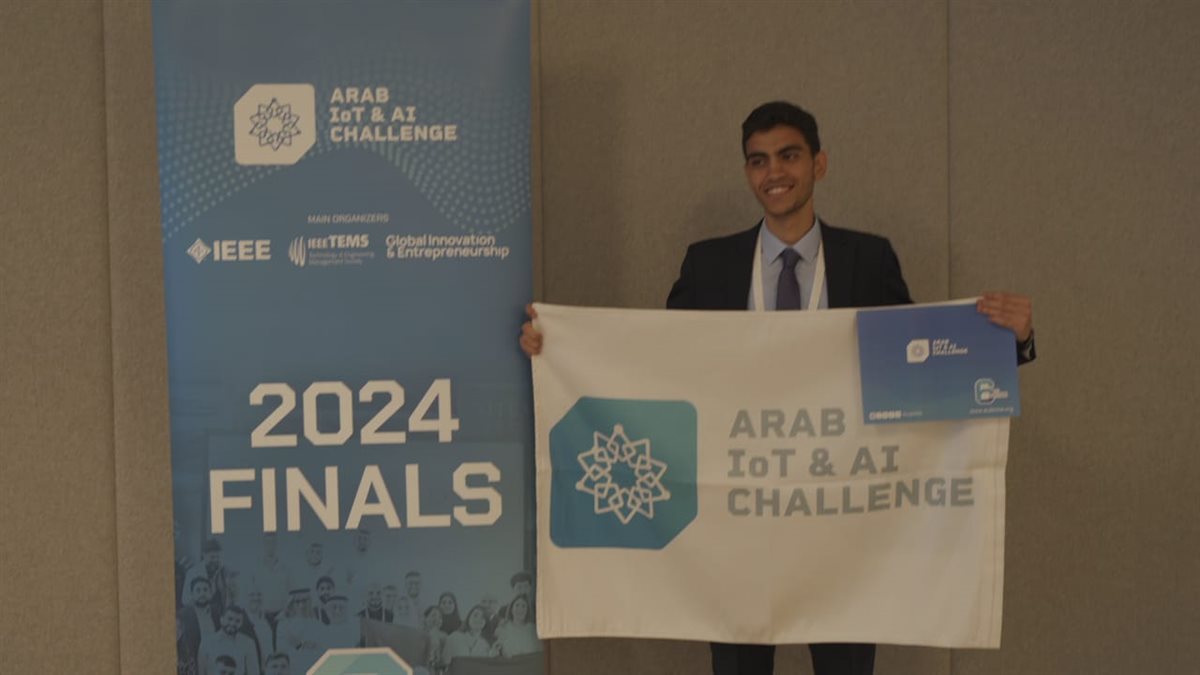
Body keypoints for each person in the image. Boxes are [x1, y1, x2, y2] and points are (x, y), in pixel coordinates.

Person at [519, 101, 1036, 675]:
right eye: (758, 160)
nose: (774, 172)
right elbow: (657, 365)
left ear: (819, 163)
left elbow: (918, 371)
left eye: (789, 155)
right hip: (737, 519)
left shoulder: (869, 259)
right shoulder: (709, 264)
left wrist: (1009, 341)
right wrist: (558, 348)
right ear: (748, 172)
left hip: (841, 519)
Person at [197, 606, 260, 675]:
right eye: (230, 619)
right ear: (221, 619)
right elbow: (201, 672)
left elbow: (254, 672)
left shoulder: (248, 643)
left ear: (241, 623)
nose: (233, 623)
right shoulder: (207, 642)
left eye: (237, 621)